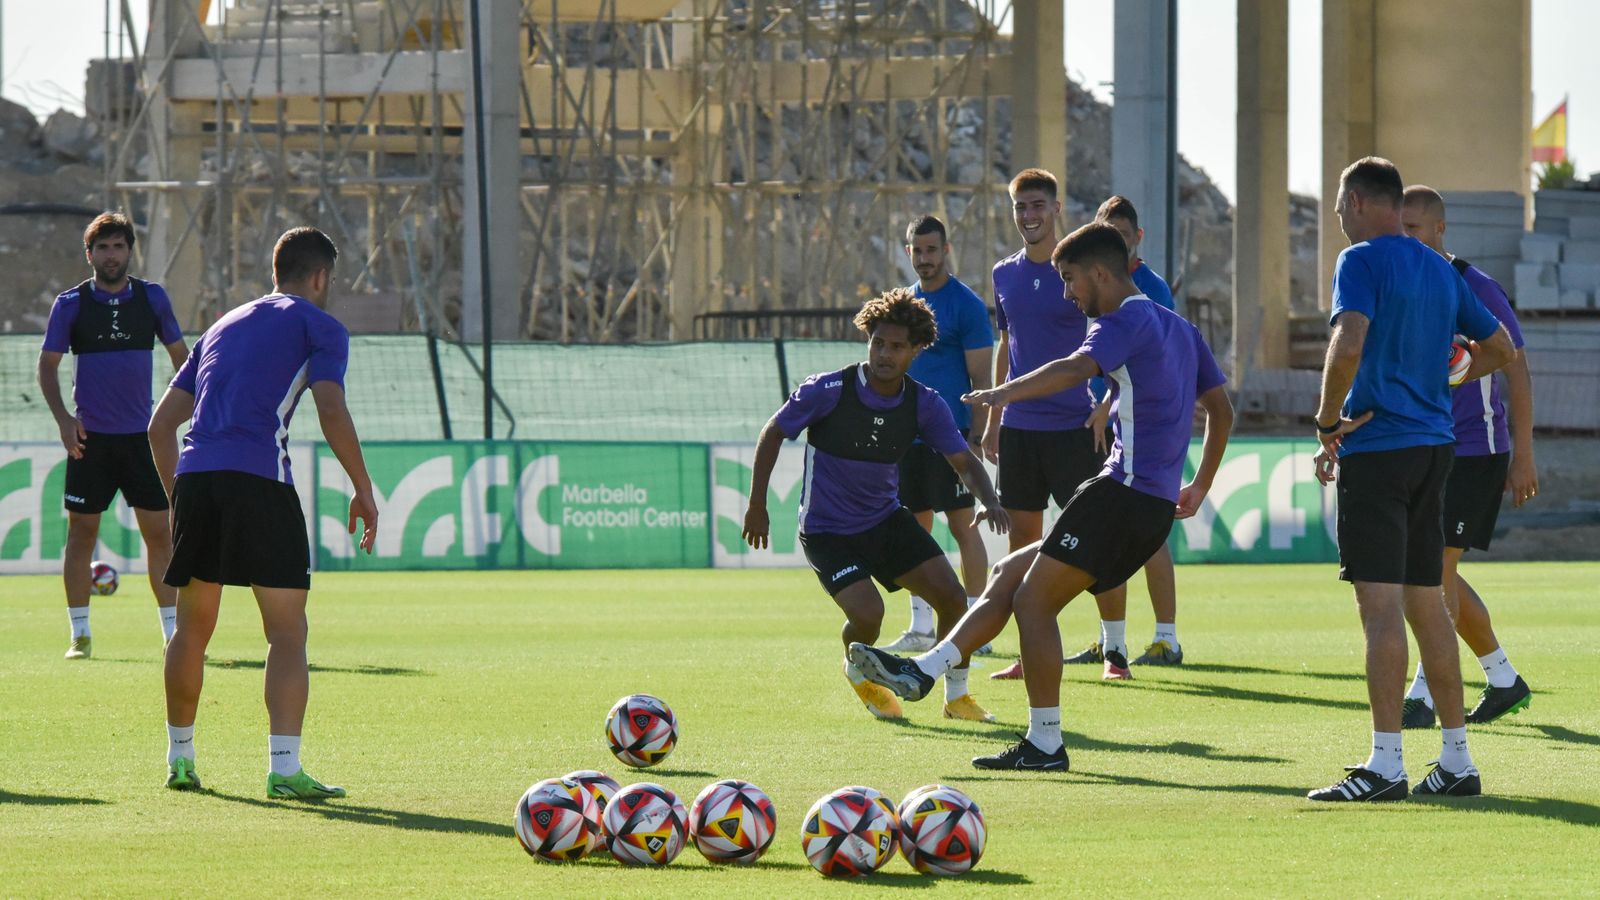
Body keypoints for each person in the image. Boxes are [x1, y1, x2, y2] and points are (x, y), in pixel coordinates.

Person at [848, 222, 1233, 771]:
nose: (1069, 295)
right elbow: (1222, 409)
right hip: (1134, 499)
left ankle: (1045, 743)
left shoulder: (1124, 319)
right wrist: (1199, 485)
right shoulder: (1179, 327)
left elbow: (1075, 368)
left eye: (1071, 279)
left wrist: (1002, 396)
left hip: (1122, 495)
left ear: (1101, 272)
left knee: (1033, 601)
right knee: (1009, 576)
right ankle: (923, 671)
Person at [1307, 158, 1514, 802]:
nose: (1339, 217)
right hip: (1435, 449)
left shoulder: (1361, 261)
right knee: (1428, 603)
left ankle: (1387, 764)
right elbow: (1502, 347)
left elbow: (1347, 344)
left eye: (1341, 205)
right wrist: (1443, 380)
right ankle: (1456, 760)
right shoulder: (1436, 267)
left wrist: (1326, 421)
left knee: (1379, 609)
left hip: (1380, 450)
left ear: (1365, 203)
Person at [149, 227, 379, 798]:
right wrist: (363, 487)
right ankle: (283, 769)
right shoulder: (320, 326)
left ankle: (181, 759)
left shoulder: (221, 325)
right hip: (260, 481)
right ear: (321, 277)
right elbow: (330, 406)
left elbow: (159, 428)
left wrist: (182, 498)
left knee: (191, 630)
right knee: (287, 632)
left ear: (276, 270)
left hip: (197, 478)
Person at [742, 289, 1009, 723]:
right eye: (878, 343)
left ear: (917, 350)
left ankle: (957, 698)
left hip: (885, 521)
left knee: (953, 600)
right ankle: (857, 669)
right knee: (869, 617)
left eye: (897, 346)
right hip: (828, 531)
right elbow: (773, 432)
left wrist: (991, 498)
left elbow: (963, 461)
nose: (885, 354)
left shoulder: (924, 403)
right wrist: (758, 505)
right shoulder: (828, 390)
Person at [984, 171, 1131, 682]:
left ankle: (1115, 653)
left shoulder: (1083, 272)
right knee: (1024, 544)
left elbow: (1115, 339)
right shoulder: (1004, 274)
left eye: (1037, 205)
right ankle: (1030, 655)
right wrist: (993, 419)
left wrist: (1106, 401)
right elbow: (1008, 348)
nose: (1029, 215)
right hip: (1021, 430)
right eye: (1021, 207)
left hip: (1077, 428)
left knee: (1097, 542)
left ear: (1057, 208)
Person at [1398, 185, 1536, 728]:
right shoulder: (1405, 286)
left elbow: (1515, 367)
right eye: (1399, 227)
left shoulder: (1473, 286)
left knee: (1434, 570)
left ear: (1439, 230)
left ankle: (1422, 696)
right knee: (1435, 573)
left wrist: (1523, 454)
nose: (1405, 237)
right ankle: (1502, 679)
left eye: (1414, 228)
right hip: (1427, 446)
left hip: (1477, 448)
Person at [37, 212, 188, 660]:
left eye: (118, 246)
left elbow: (184, 360)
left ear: (129, 251)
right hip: (92, 439)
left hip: (143, 439)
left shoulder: (152, 299)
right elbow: (47, 366)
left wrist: (181, 414)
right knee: (81, 534)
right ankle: (79, 635)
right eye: (102, 247)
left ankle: (172, 634)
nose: (111, 254)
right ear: (90, 254)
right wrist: (65, 419)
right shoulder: (71, 304)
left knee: (160, 535)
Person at [881, 215, 995, 655]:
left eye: (932, 250)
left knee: (964, 527)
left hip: (950, 437)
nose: (924, 259)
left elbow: (980, 375)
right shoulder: (903, 305)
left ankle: (973, 624)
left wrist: (976, 436)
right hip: (903, 439)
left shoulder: (965, 305)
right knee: (912, 530)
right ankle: (921, 624)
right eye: (917, 251)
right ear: (908, 252)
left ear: (946, 251)